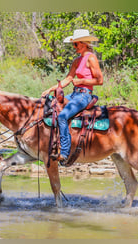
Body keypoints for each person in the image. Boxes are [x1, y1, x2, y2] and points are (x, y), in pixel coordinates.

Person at [41, 29, 103, 166]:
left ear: (84, 44)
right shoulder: (77, 60)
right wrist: (51, 89)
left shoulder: (91, 58)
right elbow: (68, 78)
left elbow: (100, 80)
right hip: (74, 94)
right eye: (73, 45)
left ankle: (65, 152)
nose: (74, 47)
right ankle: (52, 143)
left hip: (84, 95)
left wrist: (82, 82)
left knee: (62, 117)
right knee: (51, 107)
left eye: (76, 44)